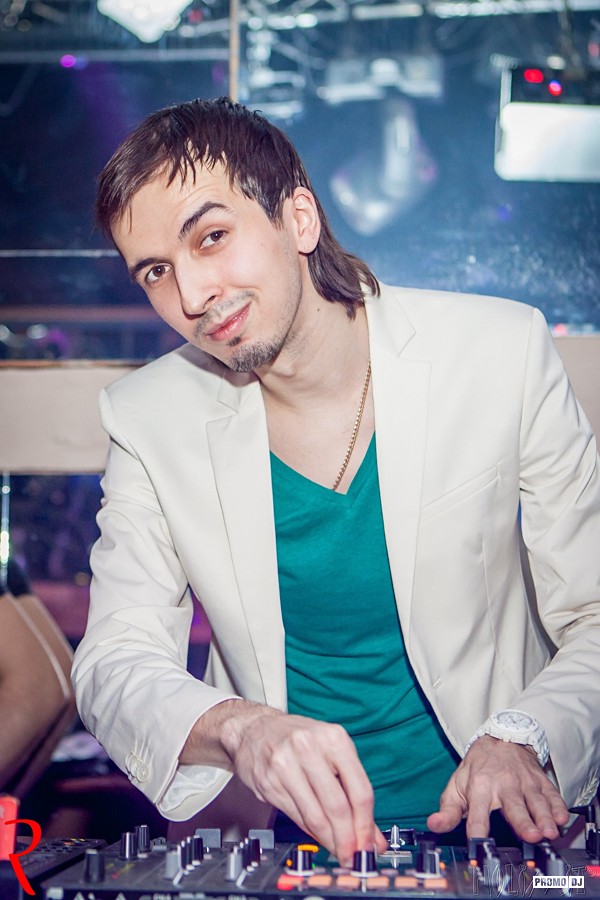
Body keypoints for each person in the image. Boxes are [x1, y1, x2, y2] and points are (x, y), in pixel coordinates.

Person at [72, 96, 600, 866]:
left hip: (514, 833)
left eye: (211, 237)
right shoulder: (148, 418)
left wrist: (527, 736)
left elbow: (594, 610)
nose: (190, 296)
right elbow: (113, 660)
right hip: (300, 846)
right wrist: (241, 728)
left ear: (299, 219)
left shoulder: (499, 351)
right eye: (156, 271)